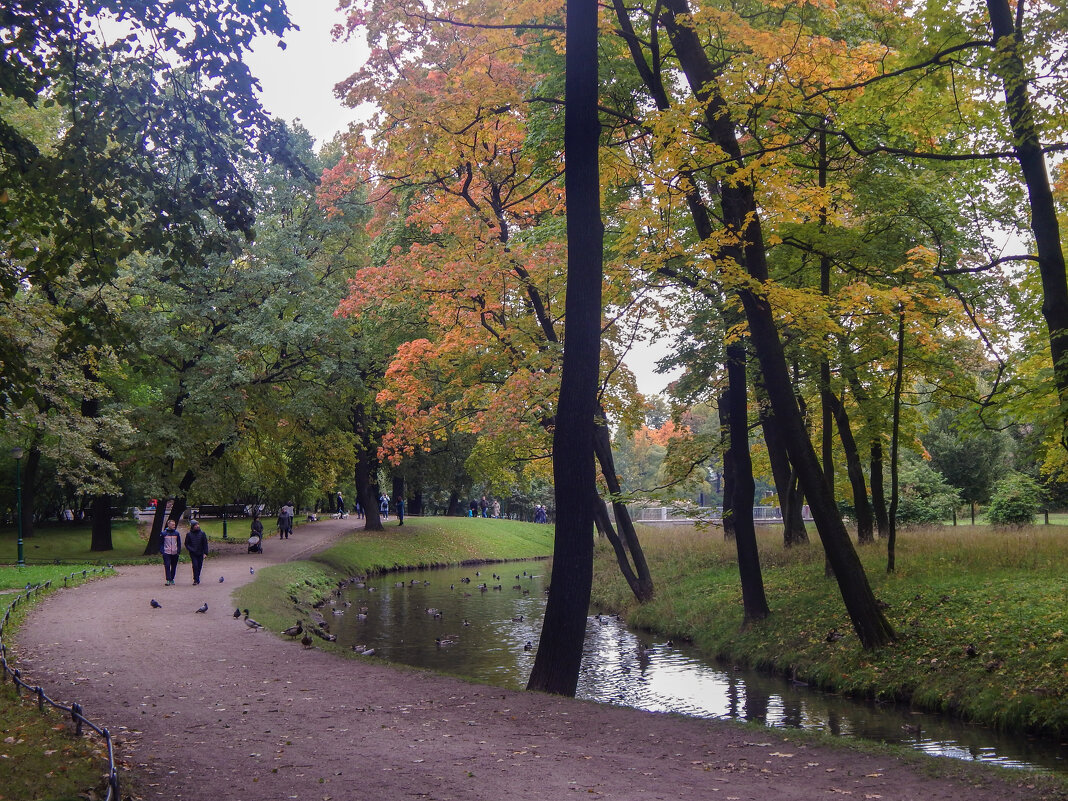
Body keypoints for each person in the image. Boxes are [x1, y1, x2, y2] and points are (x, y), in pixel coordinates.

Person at [184, 520, 209, 585]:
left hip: (200, 552)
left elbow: (205, 544)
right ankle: (196, 579)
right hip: (193, 553)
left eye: (198, 524)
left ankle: (197, 577)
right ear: (192, 526)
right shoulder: (189, 534)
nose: (197, 526)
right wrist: (191, 549)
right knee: (195, 565)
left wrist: (205, 553)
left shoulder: (202, 533)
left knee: (199, 565)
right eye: (195, 525)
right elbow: (186, 544)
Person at [159, 519, 182, 586]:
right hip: (166, 552)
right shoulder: (164, 533)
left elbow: (179, 543)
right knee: (167, 565)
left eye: (174, 525)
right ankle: (168, 579)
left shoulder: (176, 533)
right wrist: (162, 551)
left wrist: (178, 551)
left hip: (175, 552)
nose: (174, 526)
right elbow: (161, 543)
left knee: (174, 566)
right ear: (168, 525)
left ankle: (172, 579)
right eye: (172, 525)